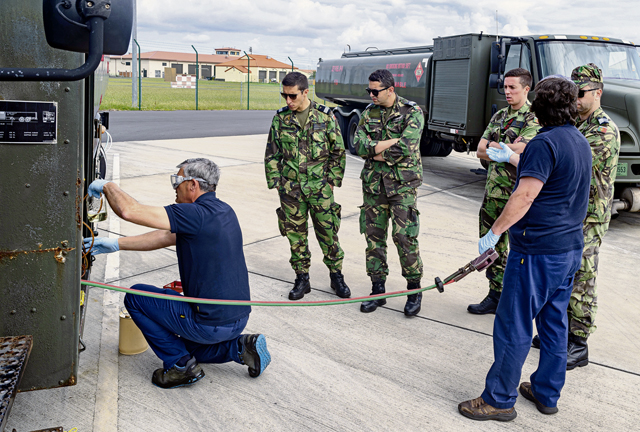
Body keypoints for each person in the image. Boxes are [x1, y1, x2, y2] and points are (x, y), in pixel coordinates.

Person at [458, 77, 592, 421]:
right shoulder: (578, 140)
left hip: (536, 251)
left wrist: (494, 232)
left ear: (537, 106)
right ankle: (547, 392)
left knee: (513, 323)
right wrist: (515, 159)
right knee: (554, 323)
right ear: (571, 105)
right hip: (568, 249)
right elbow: (553, 180)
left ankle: (498, 399)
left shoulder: (543, 143)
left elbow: (526, 195)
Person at [84, 158, 271, 389]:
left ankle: (180, 366)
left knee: (136, 297)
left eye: (178, 181)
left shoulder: (194, 213)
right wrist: (115, 244)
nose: (174, 188)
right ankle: (242, 347)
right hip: (238, 319)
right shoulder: (224, 211)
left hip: (209, 324)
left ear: (193, 185)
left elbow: (129, 211)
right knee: (185, 344)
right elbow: (165, 236)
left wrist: (107, 186)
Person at [531, 64, 621, 370]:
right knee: (560, 277)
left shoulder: (603, 130)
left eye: (581, 94)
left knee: (582, 278)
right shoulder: (576, 124)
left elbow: (568, 159)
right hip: (570, 212)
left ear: (597, 93)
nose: (576, 99)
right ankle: (558, 333)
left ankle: (578, 344)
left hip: (590, 216)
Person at [264, 71, 350, 301]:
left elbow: (337, 152)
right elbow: (272, 153)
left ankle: (336, 275)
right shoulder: (281, 118)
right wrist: (276, 182)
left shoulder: (325, 116)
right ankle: (302, 278)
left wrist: (332, 182)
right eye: (284, 96)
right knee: (295, 236)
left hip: (320, 189)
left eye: (292, 96)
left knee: (328, 233)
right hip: (291, 189)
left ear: (305, 92)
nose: (288, 101)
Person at [468, 68, 540, 315]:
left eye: (513, 88)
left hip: (517, 196)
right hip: (492, 194)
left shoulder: (534, 118)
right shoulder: (499, 115)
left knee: (519, 251)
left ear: (526, 89)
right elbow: (479, 149)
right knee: (492, 250)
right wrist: (506, 149)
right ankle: (495, 295)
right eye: (505, 88)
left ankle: (515, 302)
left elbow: (525, 149)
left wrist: (499, 147)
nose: (507, 92)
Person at [354, 69, 425, 316]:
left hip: (402, 185)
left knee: (404, 238)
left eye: (376, 91)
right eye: (369, 91)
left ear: (391, 90)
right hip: (374, 186)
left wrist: (376, 152)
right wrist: (385, 146)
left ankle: (414, 290)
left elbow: (406, 147)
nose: (371, 95)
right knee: (374, 239)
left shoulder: (412, 112)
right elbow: (359, 146)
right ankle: (377, 290)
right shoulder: (368, 113)